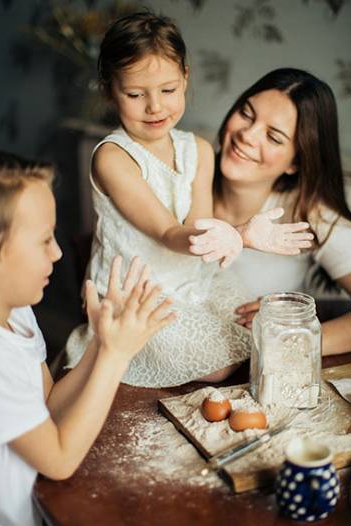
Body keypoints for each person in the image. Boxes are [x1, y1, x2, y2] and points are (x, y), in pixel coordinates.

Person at [65, 13, 313, 387]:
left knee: (252, 335)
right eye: (135, 94)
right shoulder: (113, 157)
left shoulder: (198, 149)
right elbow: (168, 231)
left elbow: (198, 229)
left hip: (190, 280)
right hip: (136, 292)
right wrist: (240, 234)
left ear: (185, 76)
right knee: (213, 365)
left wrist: (230, 235)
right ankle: (103, 347)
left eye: (168, 90)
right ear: (109, 91)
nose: (155, 107)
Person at [0, 148, 174, 526]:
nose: (58, 253)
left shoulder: (15, 312)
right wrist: (119, 355)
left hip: (26, 523)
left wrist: (103, 344)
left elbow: (46, 404)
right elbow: (59, 459)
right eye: (45, 240)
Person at [207, 67, 351, 354]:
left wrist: (293, 334)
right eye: (247, 113)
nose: (247, 135)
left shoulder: (309, 215)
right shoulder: (183, 172)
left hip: (250, 377)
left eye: (273, 137)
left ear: (295, 162)